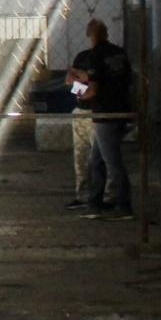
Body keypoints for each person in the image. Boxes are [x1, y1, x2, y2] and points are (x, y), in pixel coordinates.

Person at [76, 19, 135, 221]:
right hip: (122, 109)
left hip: (104, 113)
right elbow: (127, 80)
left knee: (112, 161)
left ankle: (123, 204)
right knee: (97, 159)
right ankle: (95, 201)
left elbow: (92, 90)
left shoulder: (95, 56)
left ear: (91, 36)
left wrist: (77, 92)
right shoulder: (119, 53)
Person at [64, 21, 100, 210]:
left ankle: (97, 196)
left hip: (95, 111)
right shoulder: (84, 57)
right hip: (81, 111)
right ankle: (83, 195)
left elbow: (90, 85)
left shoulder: (99, 57)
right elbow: (70, 82)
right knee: (80, 156)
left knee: (97, 157)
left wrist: (81, 81)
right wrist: (82, 82)